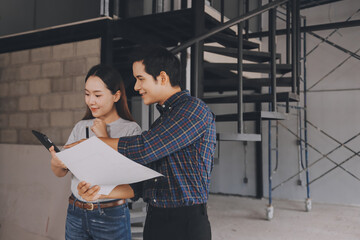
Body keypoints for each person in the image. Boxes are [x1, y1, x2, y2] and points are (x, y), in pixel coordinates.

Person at [73, 46, 216, 240]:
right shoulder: (162, 122)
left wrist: (97, 143)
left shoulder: (194, 110)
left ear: (163, 78)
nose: (136, 87)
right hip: (156, 218)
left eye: (141, 79)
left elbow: (144, 148)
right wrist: (98, 193)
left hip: (186, 222)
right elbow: (142, 186)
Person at [50, 64, 141, 240]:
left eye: (98, 95)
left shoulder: (131, 130)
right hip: (76, 212)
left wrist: (103, 138)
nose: (91, 101)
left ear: (116, 96)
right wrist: (56, 162)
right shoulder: (81, 126)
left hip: (111, 215)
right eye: (87, 94)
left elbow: (130, 181)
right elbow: (60, 173)